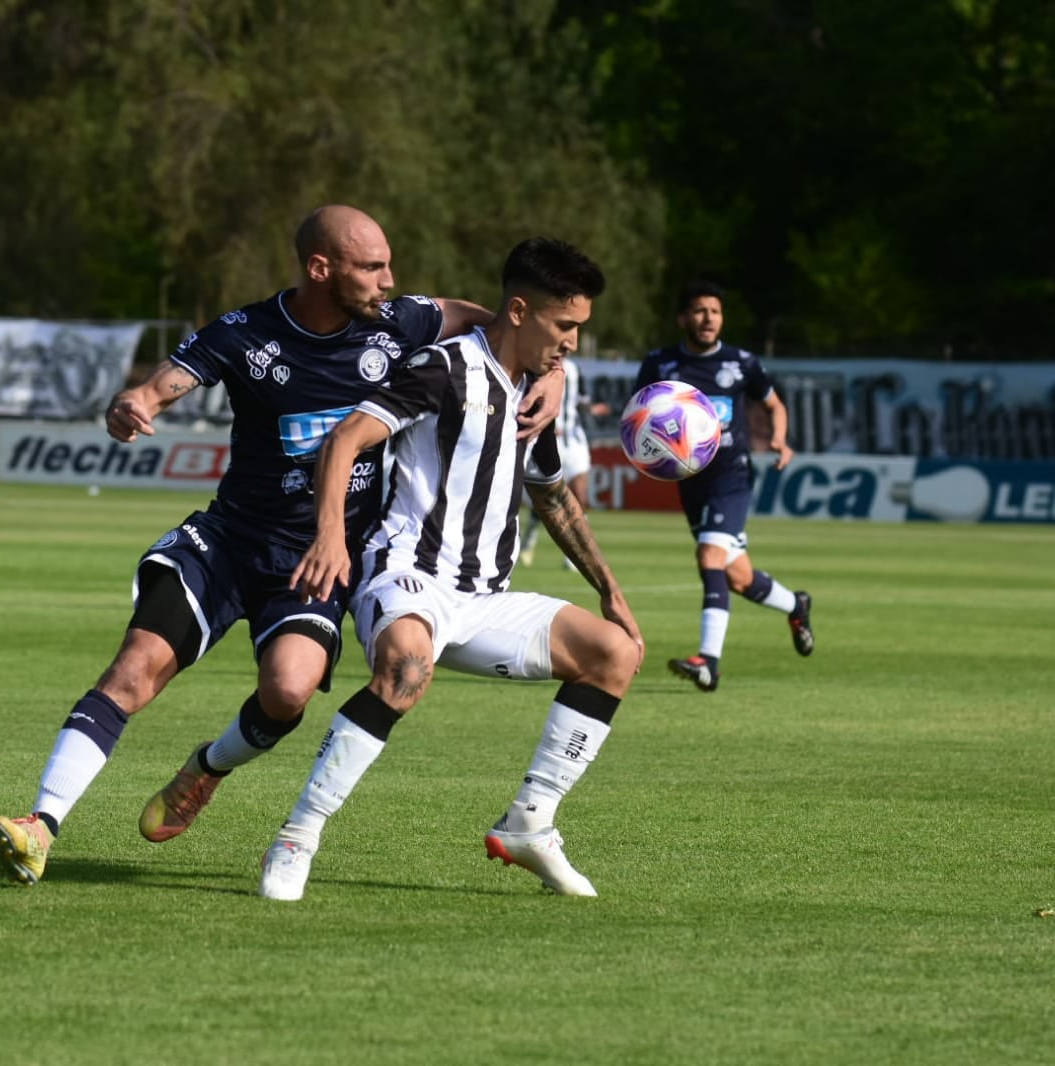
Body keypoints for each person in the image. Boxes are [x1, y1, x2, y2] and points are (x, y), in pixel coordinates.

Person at [0, 205, 567, 885]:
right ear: (321, 268)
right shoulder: (246, 333)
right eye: (371, 266)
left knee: (288, 691)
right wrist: (134, 403)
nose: (388, 279)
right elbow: (164, 384)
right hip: (228, 541)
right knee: (135, 669)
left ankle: (207, 768)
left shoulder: (399, 322)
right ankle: (39, 825)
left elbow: (490, 322)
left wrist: (550, 374)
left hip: (318, 559)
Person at [259, 236, 643, 902]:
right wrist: (330, 538)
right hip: (407, 573)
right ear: (520, 311)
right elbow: (347, 438)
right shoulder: (442, 369)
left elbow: (550, 494)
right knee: (407, 667)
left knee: (614, 653)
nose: (572, 344)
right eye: (565, 326)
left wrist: (610, 591)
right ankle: (298, 834)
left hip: (484, 596)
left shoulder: (537, 398)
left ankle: (530, 824)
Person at [635, 280, 813, 693]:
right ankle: (796, 605)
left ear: (722, 318)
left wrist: (780, 439)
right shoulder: (661, 364)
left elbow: (774, 404)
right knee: (739, 578)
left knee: (709, 556)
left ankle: (708, 662)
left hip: (731, 476)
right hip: (691, 482)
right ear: (683, 318)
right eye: (699, 311)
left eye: (714, 311)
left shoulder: (742, 362)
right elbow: (639, 414)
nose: (708, 318)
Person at [519, 357, 609, 570]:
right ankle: (531, 531)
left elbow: (582, 401)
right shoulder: (536, 368)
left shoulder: (574, 370)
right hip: (548, 439)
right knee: (546, 498)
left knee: (580, 497)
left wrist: (593, 409)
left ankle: (574, 555)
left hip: (574, 441)